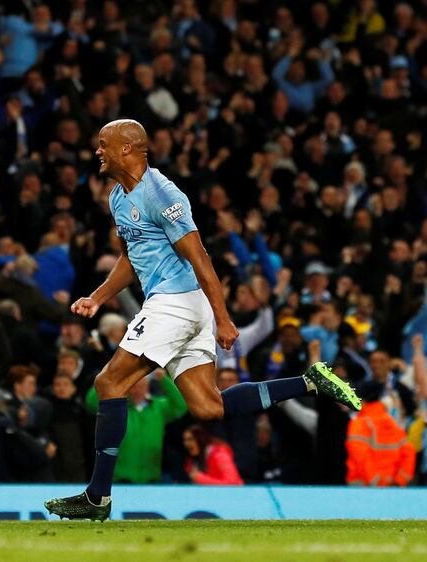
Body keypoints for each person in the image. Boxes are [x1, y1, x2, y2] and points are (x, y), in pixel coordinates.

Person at [45, 119, 361, 520]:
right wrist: (97, 297)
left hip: (175, 304)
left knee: (109, 382)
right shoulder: (117, 197)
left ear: (128, 149)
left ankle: (97, 497)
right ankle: (308, 381)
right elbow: (131, 257)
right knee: (209, 407)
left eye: (104, 144)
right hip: (179, 306)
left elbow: (200, 257)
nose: (98, 152)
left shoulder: (163, 194)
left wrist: (224, 318)